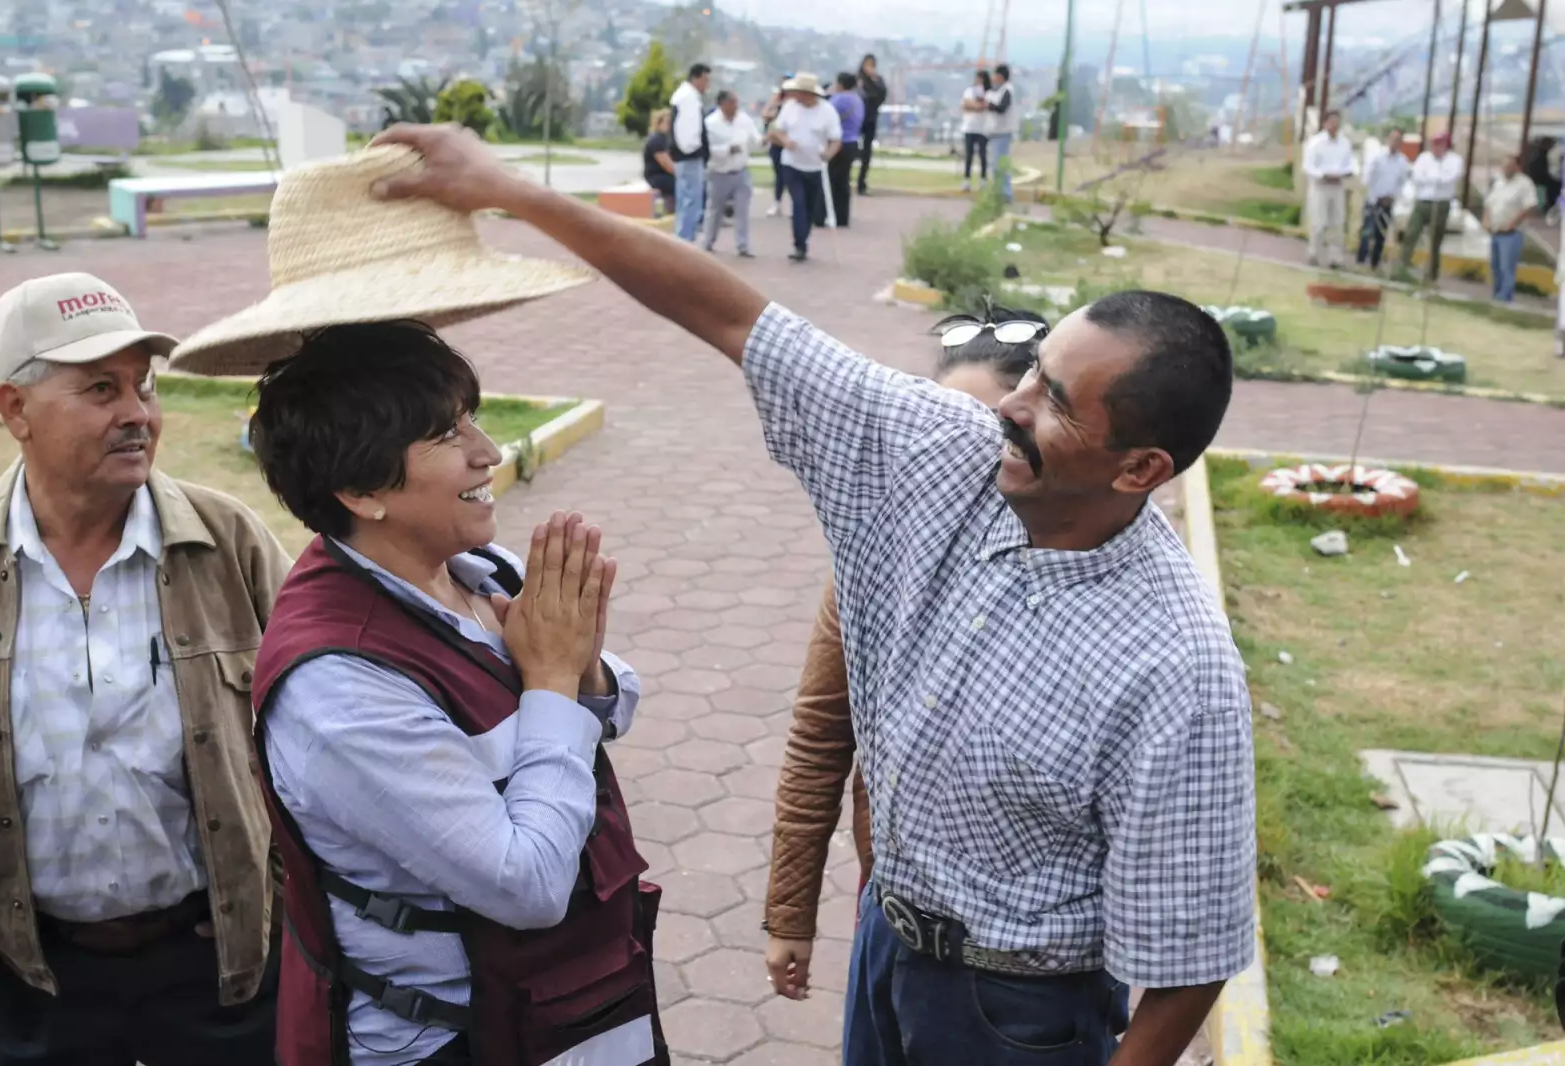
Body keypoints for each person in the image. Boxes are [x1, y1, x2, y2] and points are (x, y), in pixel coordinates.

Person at [369, 121, 1258, 1066]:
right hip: (887, 941)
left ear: (1140, 469)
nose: (1011, 405)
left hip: (1021, 1012)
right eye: (1035, 371)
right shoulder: (943, 451)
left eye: (1057, 405)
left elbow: (1191, 963)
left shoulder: (1177, 668)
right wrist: (513, 190)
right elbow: (736, 319)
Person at [165, 146, 663, 1066]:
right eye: (448, 434)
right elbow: (527, 884)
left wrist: (578, 667)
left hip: (569, 1016)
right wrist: (552, 681)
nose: (489, 452)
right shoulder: (340, 686)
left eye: (474, 418)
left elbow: (615, 702)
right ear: (362, 489)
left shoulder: (473, 571)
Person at [0, 272, 287, 1066]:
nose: (138, 413)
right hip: (31, 974)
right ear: (14, 409)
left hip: (217, 965)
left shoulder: (228, 539)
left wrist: (276, 886)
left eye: (144, 385)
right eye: (100, 389)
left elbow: (323, 719)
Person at [763, 306, 1046, 1000]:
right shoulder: (875, 561)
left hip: (1030, 953)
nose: (954, 450)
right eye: (937, 422)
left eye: (982, 428)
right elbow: (820, 735)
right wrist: (790, 914)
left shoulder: (1077, 571)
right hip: (895, 904)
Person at [767, 72, 842, 263]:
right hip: (792, 164)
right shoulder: (790, 107)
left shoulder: (827, 111)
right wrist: (786, 141)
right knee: (798, 202)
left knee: (809, 206)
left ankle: (803, 237)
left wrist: (828, 155)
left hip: (815, 167)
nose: (796, 96)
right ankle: (799, 244)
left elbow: (835, 140)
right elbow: (777, 130)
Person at [1400, 131, 1464, 280]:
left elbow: (1450, 178)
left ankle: (1431, 274)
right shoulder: (1424, 158)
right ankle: (1402, 265)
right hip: (1423, 200)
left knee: (1435, 239)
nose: (1436, 147)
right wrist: (1434, 179)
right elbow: (1417, 177)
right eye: (1435, 144)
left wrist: (1431, 178)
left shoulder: (1455, 160)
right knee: (1411, 233)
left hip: (1441, 202)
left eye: (1440, 144)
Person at [703, 90, 759, 257]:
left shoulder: (744, 120)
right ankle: (708, 242)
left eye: (736, 103)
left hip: (741, 170)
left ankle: (743, 245)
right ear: (722, 104)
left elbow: (755, 139)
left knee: (742, 210)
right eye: (732, 103)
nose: (735, 107)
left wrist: (764, 140)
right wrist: (727, 150)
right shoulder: (710, 123)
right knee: (715, 210)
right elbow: (707, 149)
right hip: (719, 172)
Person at [1302, 110, 1355, 269]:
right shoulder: (1315, 142)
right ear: (1325, 123)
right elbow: (1308, 166)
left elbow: (1350, 164)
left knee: (1337, 223)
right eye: (1331, 121)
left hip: (1337, 186)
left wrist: (1343, 173)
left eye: (1337, 122)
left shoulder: (1344, 143)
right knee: (1318, 223)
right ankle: (1313, 254)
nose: (1334, 125)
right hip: (1320, 186)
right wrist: (1323, 175)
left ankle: (1335, 259)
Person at [1485, 153, 1538, 304]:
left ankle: (1505, 299)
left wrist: (1513, 223)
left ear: (1517, 167)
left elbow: (1530, 206)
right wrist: (1486, 220)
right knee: (1495, 267)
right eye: (1504, 166)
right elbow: (1489, 202)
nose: (1506, 169)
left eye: (1509, 166)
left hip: (1511, 233)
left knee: (1506, 268)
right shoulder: (1498, 181)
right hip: (1495, 231)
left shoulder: (1524, 184)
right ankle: (1496, 297)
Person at [668, 62, 711, 242]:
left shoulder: (683, 96)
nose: (707, 85)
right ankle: (685, 240)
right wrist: (695, 149)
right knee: (691, 201)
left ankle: (682, 238)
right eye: (705, 80)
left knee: (685, 199)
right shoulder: (689, 98)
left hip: (684, 156)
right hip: (689, 156)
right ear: (695, 78)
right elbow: (688, 129)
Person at [1357, 126, 1409, 271]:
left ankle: (1374, 264)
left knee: (1380, 235)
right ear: (1388, 139)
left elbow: (1401, 183)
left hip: (1388, 202)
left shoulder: (1403, 162)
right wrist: (1375, 197)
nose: (1395, 142)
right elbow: (1369, 178)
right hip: (1373, 200)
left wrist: (1392, 197)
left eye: (1398, 140)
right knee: (1367, 232)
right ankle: (1361, 261)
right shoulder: (1377, 157)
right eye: (1393, 138)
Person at [828, 72, 866, 227]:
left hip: (838, 143)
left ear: (840, 84)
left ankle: (826, 214)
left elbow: (827, 117)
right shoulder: (858, 100)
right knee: (844, 181)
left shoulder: (838, 99)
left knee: (831, 181)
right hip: (853, 142)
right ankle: (842, 217)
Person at [984, 63, 1017, 202]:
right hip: (995, 133)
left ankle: (1005, 193)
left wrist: (990, 106)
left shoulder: (1007, 90)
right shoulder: (999, 90)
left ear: (1000, 76)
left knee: (1000, 165)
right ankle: (999, 191)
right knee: (995, 165)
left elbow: (1002, 108)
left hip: (1002, 133)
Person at [855, 54, 887, 196]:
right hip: (856, 118)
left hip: (870, 118)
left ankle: (861, 182)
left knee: (867, 151)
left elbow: (881, 95)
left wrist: (873, 79)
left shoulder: (878, 80)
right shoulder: (858, 80)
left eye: (871, 64)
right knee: (851, 147)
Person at [763, 74, 792, 218]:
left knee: (791, 174)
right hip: (776, 142)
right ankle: (777, 203)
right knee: (779, 174)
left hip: (789, 142)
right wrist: (774, 109)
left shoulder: (795, 102)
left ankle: (795, 204)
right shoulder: (776, 99)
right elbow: (765, 114)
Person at [960, 70, 991, 193]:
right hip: (969, 127)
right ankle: (967, 180)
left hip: (983, 128)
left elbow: (986, 106)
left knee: (983, 155)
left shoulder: (989, 92)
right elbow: (965, 105)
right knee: (969, 155)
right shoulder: (969, 91)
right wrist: (978, 105)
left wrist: (976, 105)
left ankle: (983, 180)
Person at [642, 108, 676, 216]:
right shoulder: (657, 140)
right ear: (659, 123)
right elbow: (668, 166)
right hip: (657, 176)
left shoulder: (668, 139)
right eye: (667, 122)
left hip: (665, 175)